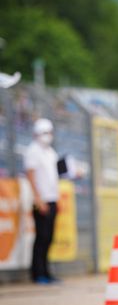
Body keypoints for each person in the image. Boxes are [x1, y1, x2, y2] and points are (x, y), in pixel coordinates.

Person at [24, 118, 61, 284]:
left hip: (52, 199)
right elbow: (31, 175)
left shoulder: (50, 152)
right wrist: (38, 198)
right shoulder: (33, 151)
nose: (48, 136)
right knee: (42, 237)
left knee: (49, 237)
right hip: (41, 200)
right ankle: (37, 273)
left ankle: (46, 271)